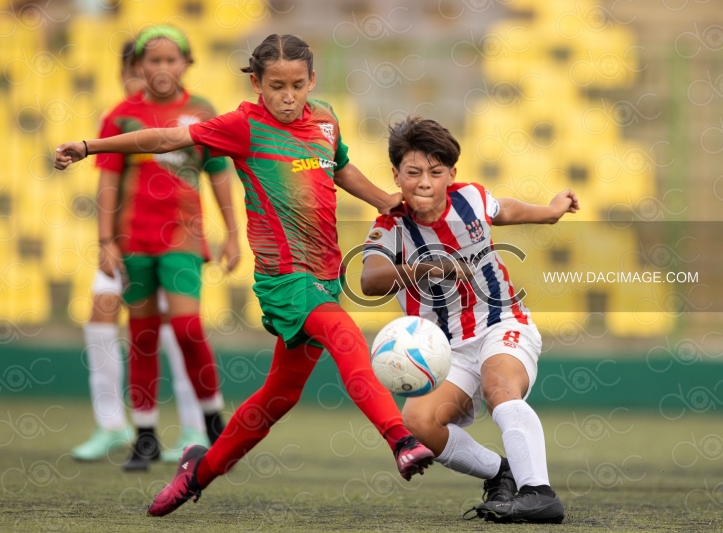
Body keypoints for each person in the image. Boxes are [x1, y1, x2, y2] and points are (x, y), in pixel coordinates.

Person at [54, 34, 435, 515]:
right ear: (256, 83)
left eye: (297, 84)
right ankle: (399, 439)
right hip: (284, 279)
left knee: (278, 396)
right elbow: (168, 137)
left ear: (312, 80)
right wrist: (90, 146)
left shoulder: (325, 120)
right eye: (276, 86)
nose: (288, 96)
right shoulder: (242, 126)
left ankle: (198, 472)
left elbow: (339, 167)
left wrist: (383, 199)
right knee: (345, 337)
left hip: (321, 275)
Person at [360, 117, 576, 524]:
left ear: (451, 175)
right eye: (413, 172)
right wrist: (426, 267)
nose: (424, 182)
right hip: (445, 348)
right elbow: (370, 279)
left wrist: (548, 213)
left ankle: (538, 493)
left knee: (500, 386)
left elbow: (503, 208)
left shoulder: (471, 198)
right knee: (418, 421)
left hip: (501, 322)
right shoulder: (389, 225)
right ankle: (502, 473)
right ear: (396, 175)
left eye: (435, 172)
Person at [85, 26, 240, 471]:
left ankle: (212, 420)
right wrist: (105, 241)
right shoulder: (120, 116)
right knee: (143, 335)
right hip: (134, 240)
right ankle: (146, 435)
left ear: (186, 64)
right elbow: (109, 180)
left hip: (184, 237)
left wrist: (231, 233)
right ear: (138, 67)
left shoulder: (201, 112)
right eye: (153, 61)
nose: (162, 68)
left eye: (172, 60)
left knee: (188, 325)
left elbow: (218, 173)